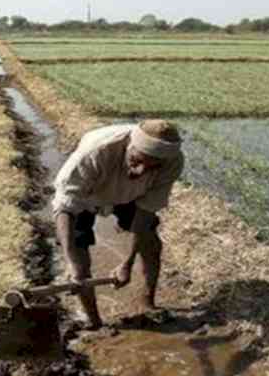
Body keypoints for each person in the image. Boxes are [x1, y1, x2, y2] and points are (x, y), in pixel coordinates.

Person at [52, 119, 184, 329]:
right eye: (137, 161)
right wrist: (71, 260)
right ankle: (95, 321)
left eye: (152, 167)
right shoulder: (96, 151)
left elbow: (146, 212)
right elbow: (64, 207)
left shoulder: (172, 162)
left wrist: (127, 261)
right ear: (130, 146)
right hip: (88, 193)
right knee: (79, 261)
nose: (141, 171)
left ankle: (147, 301)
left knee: (151, 242)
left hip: (132, 196)